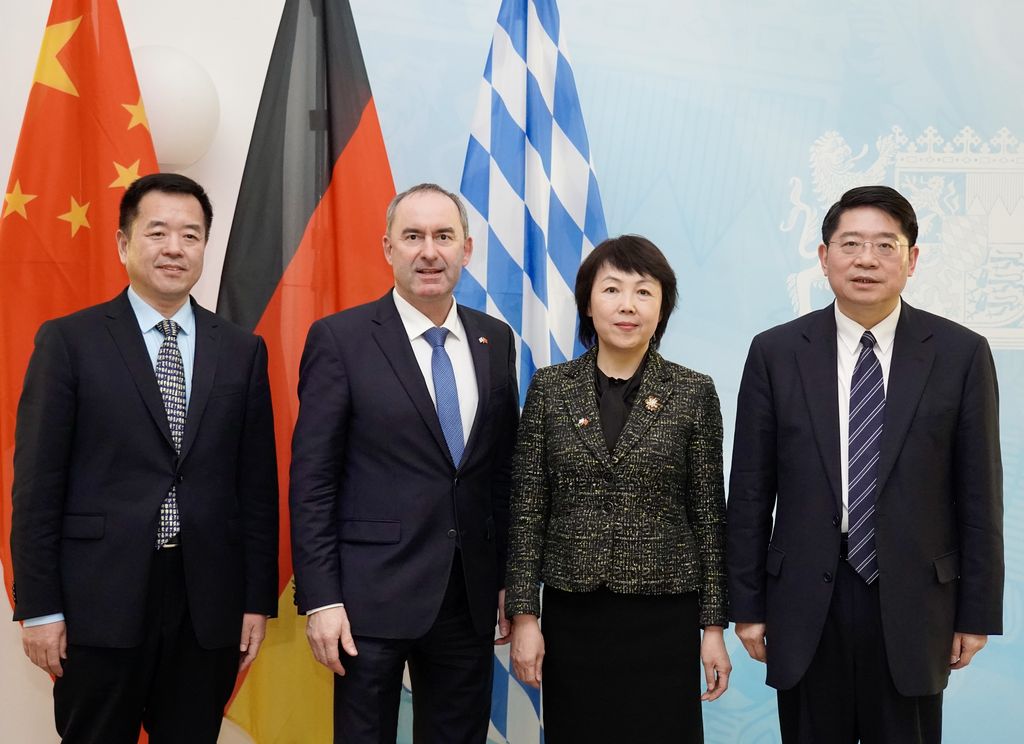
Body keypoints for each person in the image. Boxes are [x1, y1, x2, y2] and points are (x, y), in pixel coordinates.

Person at [727, 185, 1004, 743]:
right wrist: (747, 604)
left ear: (912, 259)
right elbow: (751, 490)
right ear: (824, 256)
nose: (866, 260)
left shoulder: (960, 354)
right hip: (805, 598)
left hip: (915, 599)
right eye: (850, 244)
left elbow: (980, 494)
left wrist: (977, 611)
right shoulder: (775, 352)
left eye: (885, 245)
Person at [10, 172, 279, 743]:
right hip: (97, 601)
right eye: (157, 232)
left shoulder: (241, 351)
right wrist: (38, 608)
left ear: (206, 245)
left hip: (206, 605)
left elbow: (255, 489)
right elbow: (36, 487)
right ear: (123, 243)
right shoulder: (69, 342)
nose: (174, 248)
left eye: (191, 234)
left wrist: (256, 600)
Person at [289, 183, 519, 743]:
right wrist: (322, 598)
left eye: (444, 236)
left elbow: (500, 474)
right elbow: (313, 482)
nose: (429, 251)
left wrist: (512, 578)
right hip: (367, 601)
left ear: (467, 249)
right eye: (413, 236)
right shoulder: (339, 340)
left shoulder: (496, 340)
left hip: (467, 599)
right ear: (387, 247)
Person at [504, 235, 731, 743]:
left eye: (644, 292)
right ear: (588, 302)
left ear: (662, 307)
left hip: (664, 615)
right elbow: (526, 511)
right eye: (612, 289)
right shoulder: (549, 389)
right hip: (573, 612)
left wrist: (713, 628)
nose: (627, 305)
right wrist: (524, 615)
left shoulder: (693, 392)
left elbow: (710, 517)